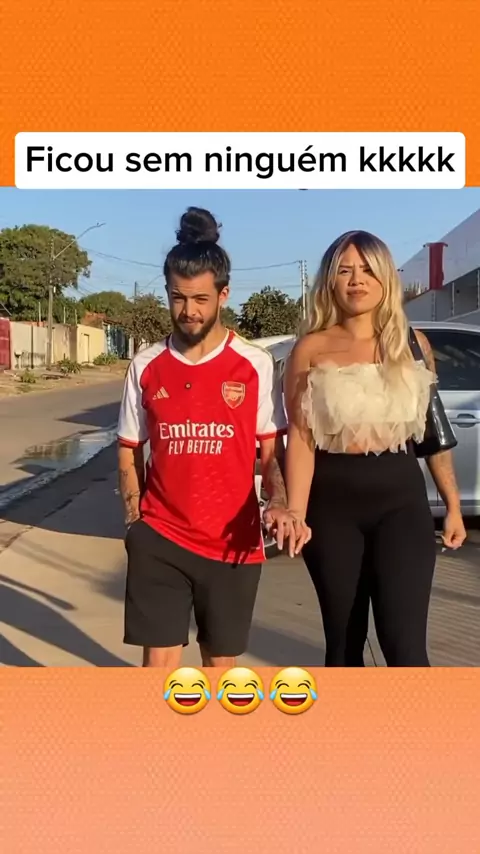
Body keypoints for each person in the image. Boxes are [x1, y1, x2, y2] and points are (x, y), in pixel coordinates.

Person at [117, 206, 310, 668]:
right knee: (157, 669)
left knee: (220, 670)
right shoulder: (145, 365)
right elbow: (129, 451)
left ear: (223, 294)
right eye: (178, 298)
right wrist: (134, 523)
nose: (189, 311)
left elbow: (270, 453)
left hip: (232, 544)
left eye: (201, 299)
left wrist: (278, 502)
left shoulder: (254, 364)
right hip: (160, 538)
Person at [283, 230, 466, 667]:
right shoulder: (310, 349)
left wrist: (453, 505)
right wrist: (295, 512)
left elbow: (432, 433)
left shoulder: (412, 344)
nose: (356, 280)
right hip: (332, 508)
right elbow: (301, 439)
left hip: (401, 504)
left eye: (367, 269)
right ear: (329, 280)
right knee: (344, 646)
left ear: (385, 277)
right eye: (345, 270)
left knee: (405, 647)